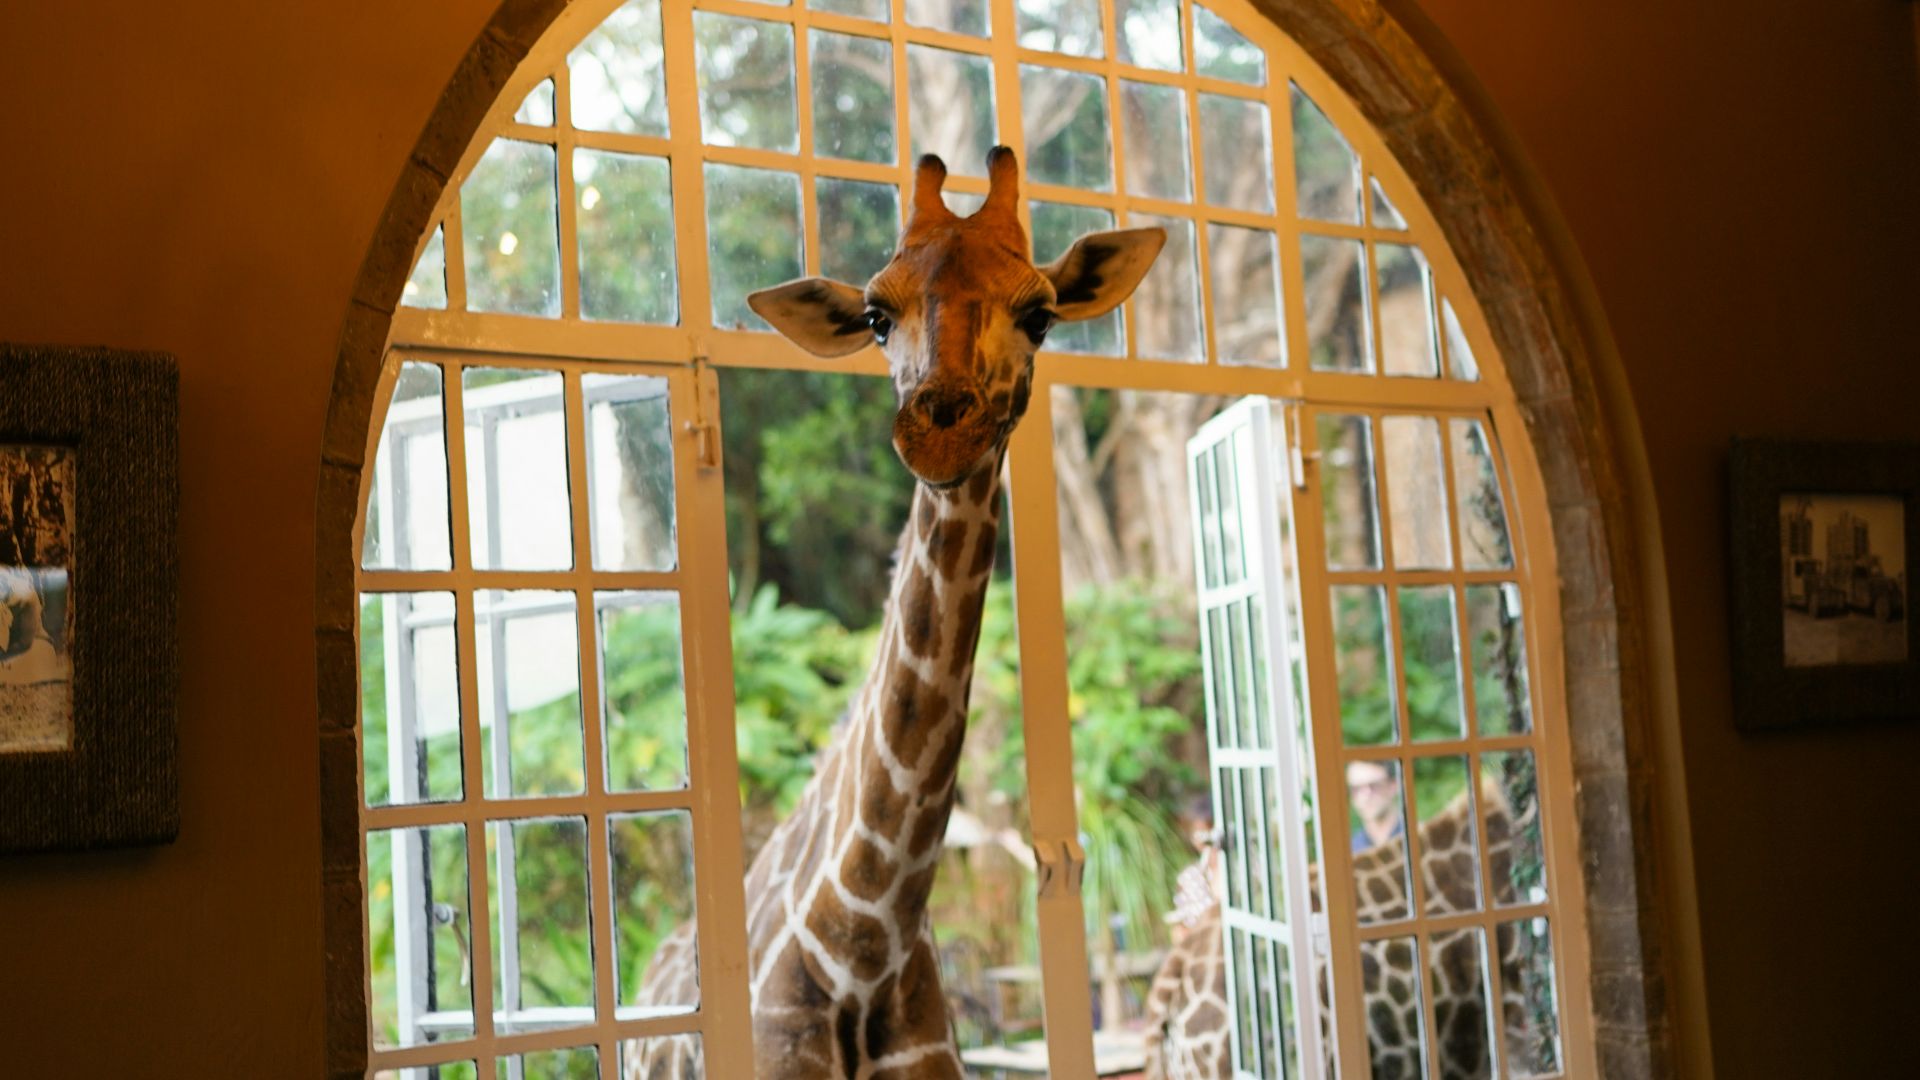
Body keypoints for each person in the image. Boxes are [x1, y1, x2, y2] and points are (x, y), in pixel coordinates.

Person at [1347, 760, 1404, 853]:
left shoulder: (1418, 837)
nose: (1365, 796)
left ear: (1394, 786)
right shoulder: (1351, 850)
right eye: (1356, 789)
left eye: (1374, 786)